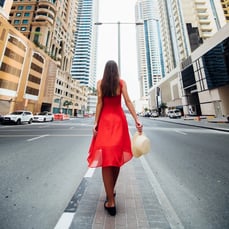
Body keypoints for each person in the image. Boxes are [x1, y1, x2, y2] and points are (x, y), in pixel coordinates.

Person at [87, 60, 142, 216]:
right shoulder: (121, 83)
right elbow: (128, 102)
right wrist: (137, 119)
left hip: (105, 122)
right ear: (116, 70)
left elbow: (99, 103)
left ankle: (110, 200)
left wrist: (95, 123)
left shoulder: (100, 83)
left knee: (105, 160)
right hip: (119, 122)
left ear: (105, 71)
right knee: (116, 158)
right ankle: (111, 194)